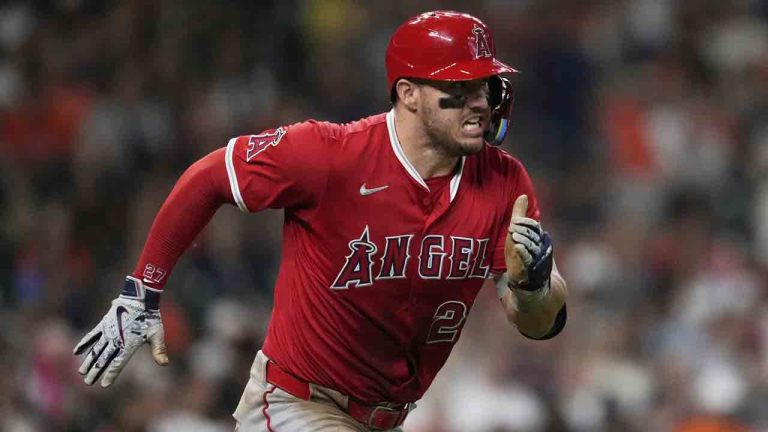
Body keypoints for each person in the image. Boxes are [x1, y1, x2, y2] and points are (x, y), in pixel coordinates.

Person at [73, 10, 568, 431]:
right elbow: (209, 177)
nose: (480, 102)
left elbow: (541, 324)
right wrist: (142, 291)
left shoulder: (505, 182)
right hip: (297, 403)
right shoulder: (331, 153)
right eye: (458, 88)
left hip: (389, 417)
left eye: (483, 84)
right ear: (409, 94)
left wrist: (534, 287)